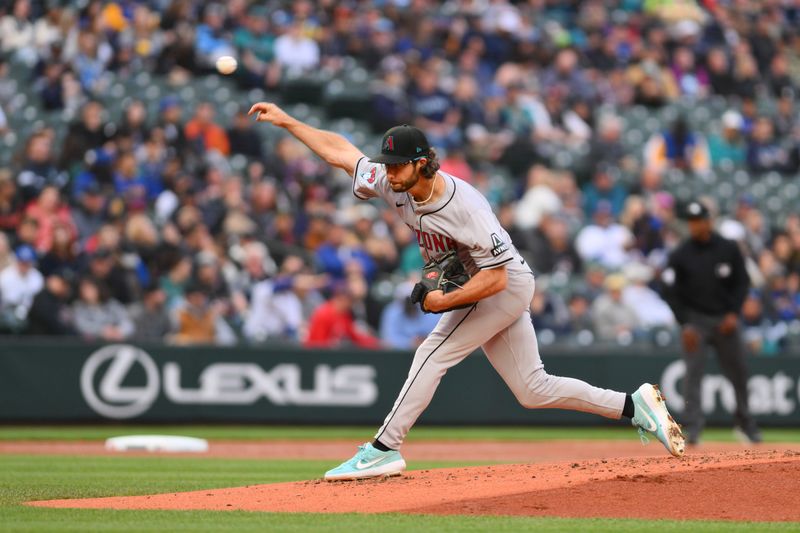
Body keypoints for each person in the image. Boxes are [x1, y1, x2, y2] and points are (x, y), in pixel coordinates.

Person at [248, 101, 685, 482]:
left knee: (432, 353)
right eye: (386, 163)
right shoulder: (390, 179)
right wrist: (288, 122)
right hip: (489, 285)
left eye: (396, 164)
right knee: (533, 389)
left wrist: (441, 301)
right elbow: (343, 154)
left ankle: (383, 449)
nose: (387, 170)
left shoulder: (464, 206)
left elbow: (495, 277)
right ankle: (634, 406)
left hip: (503, 283)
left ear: (422, 163)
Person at [660, 201, 761, 445]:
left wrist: (733, 313)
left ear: (709, 221)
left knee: (739, 373)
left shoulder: (728, 248)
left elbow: (742, 282)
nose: (694, 226)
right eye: (690, 222)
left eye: (698, 221)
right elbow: (669, 290)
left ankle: (745, 425)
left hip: (725, 319)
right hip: (696, 322)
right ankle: (693, 429)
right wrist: (684, 323)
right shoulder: (680, 254)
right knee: (693, 375)